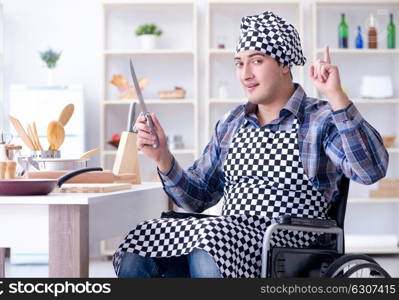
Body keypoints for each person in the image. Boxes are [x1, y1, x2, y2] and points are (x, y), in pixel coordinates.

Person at [113, 11, 388, 278]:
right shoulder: (231, 122)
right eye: (239, 63)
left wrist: (337, 97)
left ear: (284, 64)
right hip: (228, 241)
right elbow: (196, 199)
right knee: (144, 237)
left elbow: (370, 170)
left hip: (291, 248)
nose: (245, 74)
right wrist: (163, 157)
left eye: (256, 61)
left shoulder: (321, 119)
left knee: (211, 239)